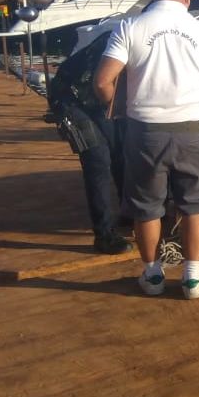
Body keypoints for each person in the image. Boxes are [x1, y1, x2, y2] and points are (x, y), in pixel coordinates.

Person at [93, 0, 199, 299]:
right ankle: (192, 278)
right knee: (194, 206)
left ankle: (153, 275)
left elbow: (101, 81)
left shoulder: (130, 27)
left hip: (144, 132)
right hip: (194, 131)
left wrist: (119, 107)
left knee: (146, 207)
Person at [47, 33, 133, 255]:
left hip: (101, 99)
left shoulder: (143, 38)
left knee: (121, 154)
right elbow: (102, 83)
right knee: (98, 160)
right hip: (71, 98)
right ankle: (104, 235)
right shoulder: (126, 38)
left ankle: (129, 211)